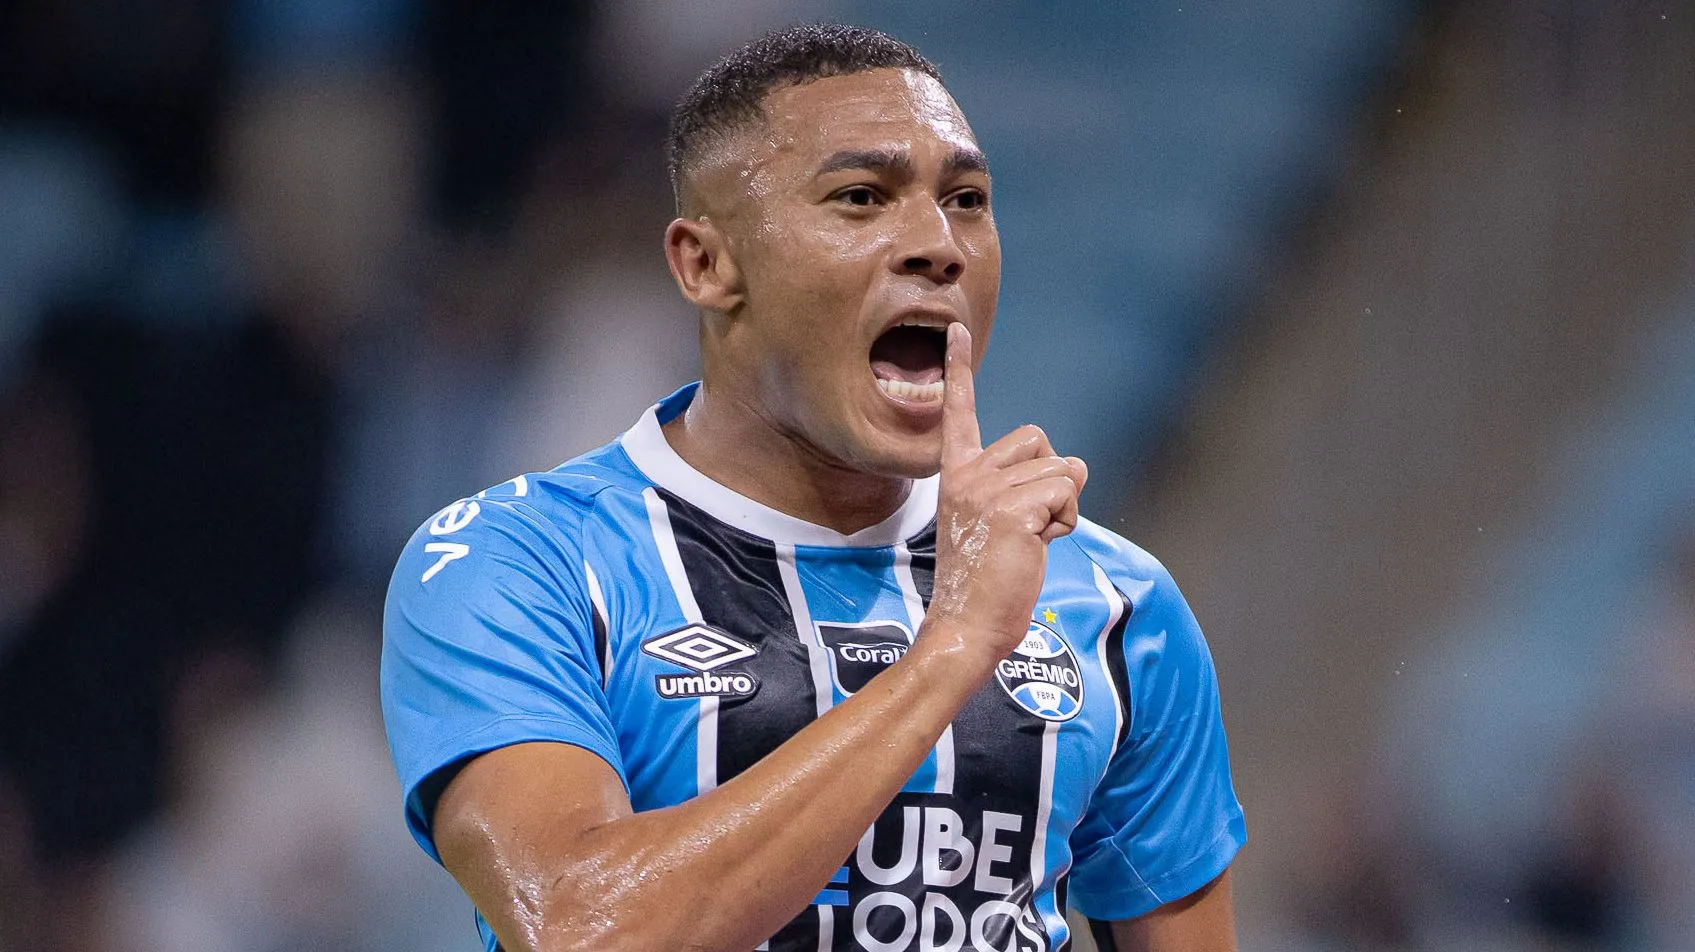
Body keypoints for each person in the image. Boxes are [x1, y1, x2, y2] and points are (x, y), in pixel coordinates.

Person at [381, 24, 1245, 952]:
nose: (937, 245)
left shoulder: (1114, 603)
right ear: (705, 264)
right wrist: (950, 646)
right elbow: (580, 929)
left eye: (966, 200)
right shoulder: (522, 564)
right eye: (861, 198)